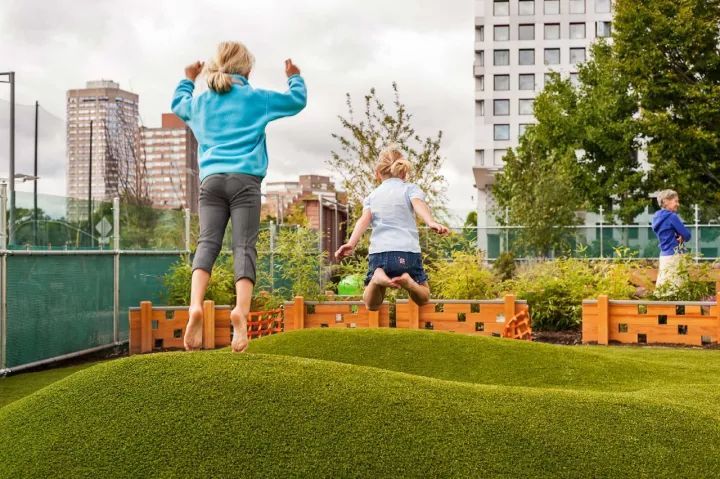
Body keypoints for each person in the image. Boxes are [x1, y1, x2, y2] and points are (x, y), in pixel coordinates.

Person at [171, 41, 307, 352]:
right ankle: (241, 313)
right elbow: (296, 101)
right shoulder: (256, 98)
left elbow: (179, 103)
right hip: (245, 182)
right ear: (247, 69)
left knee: (207, 243)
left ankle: (195, 306)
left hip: (212, 182)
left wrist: (188, 79)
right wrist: (294, 76)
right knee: (244, 246)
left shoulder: (202, 103)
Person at [335, 145, 448, 310]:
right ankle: (409, 282)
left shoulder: (372, 196)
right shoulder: (409, 188)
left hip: (379, 254)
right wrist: (430, 222)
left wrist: (351, 243)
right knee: (423, 297)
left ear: (377, 174)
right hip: (407, 253)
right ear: (403, 172)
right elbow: (419, 205)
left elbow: (363, 220)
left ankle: (376, 279)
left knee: (371, 304)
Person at [651, 189, 691, 294]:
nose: (678, 204)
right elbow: (687, 235)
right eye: (675, 201)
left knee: (664, 288)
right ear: (666, 201)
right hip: (675, 254)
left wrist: (677, 235)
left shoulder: (656, 217)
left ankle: (661, 310)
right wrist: (682, 237)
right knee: (679, 289)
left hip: (664, 255)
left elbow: (666, 233)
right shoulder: (672, 217)